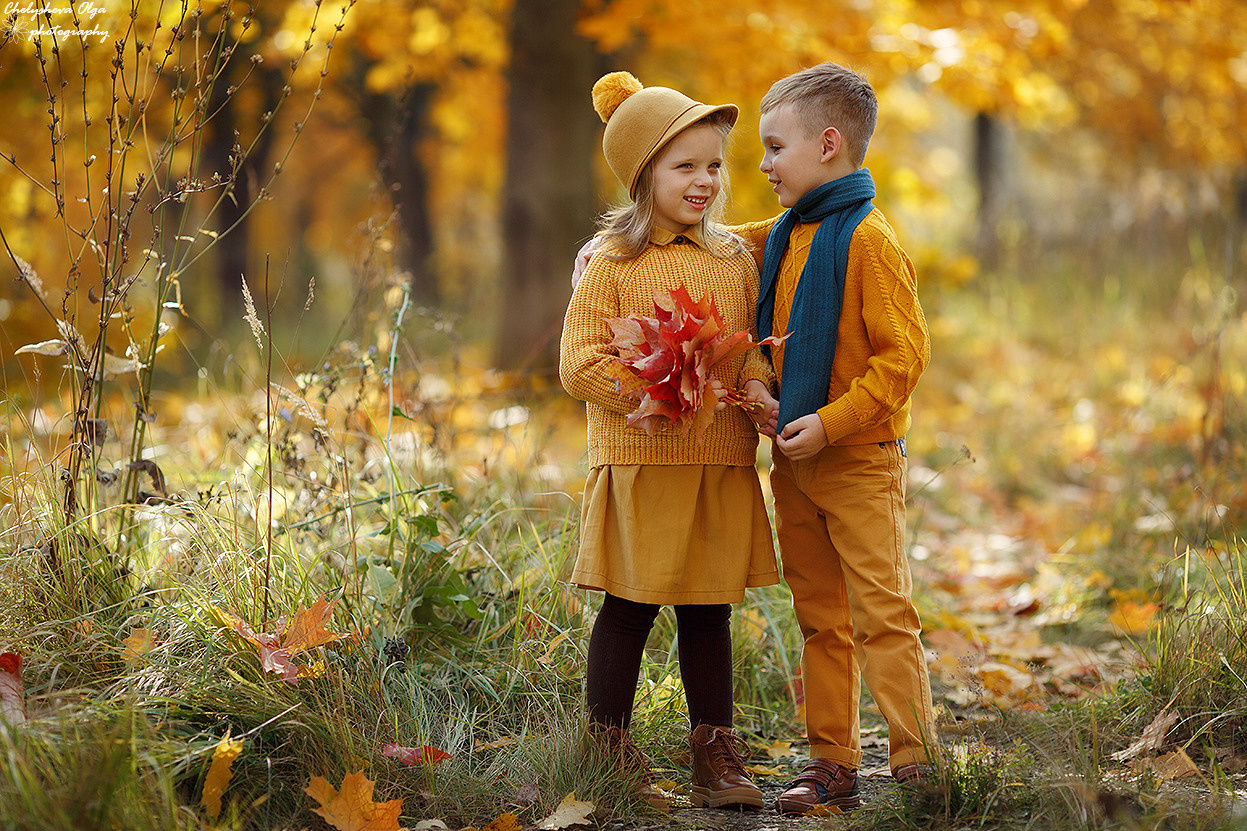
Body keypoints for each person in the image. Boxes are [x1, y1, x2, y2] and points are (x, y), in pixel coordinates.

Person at [559, 71, 778, 810]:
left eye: (713, 164)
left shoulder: (731, 261)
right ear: (642, 175)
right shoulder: (612, 261)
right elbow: (579, 361)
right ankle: (607, 743)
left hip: (717, 460)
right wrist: (654, 393)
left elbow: (745, 350)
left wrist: (757, 392)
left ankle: (712, 749)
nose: (703, 180)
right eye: (683, 166)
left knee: (709, 608)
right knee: (629, 605)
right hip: (642, 461)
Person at [732, 62, 938, 814]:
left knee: (882, 612)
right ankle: (831, 762)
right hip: (794, 462)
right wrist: (618, 244)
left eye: (773, 147)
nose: (762, 164)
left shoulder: (870, 242)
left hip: (856, 461)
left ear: (826, 144)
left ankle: (916, 760)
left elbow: (903, 358)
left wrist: (833, 421)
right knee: (820, 616)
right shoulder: (784, 233)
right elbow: (717, 244)